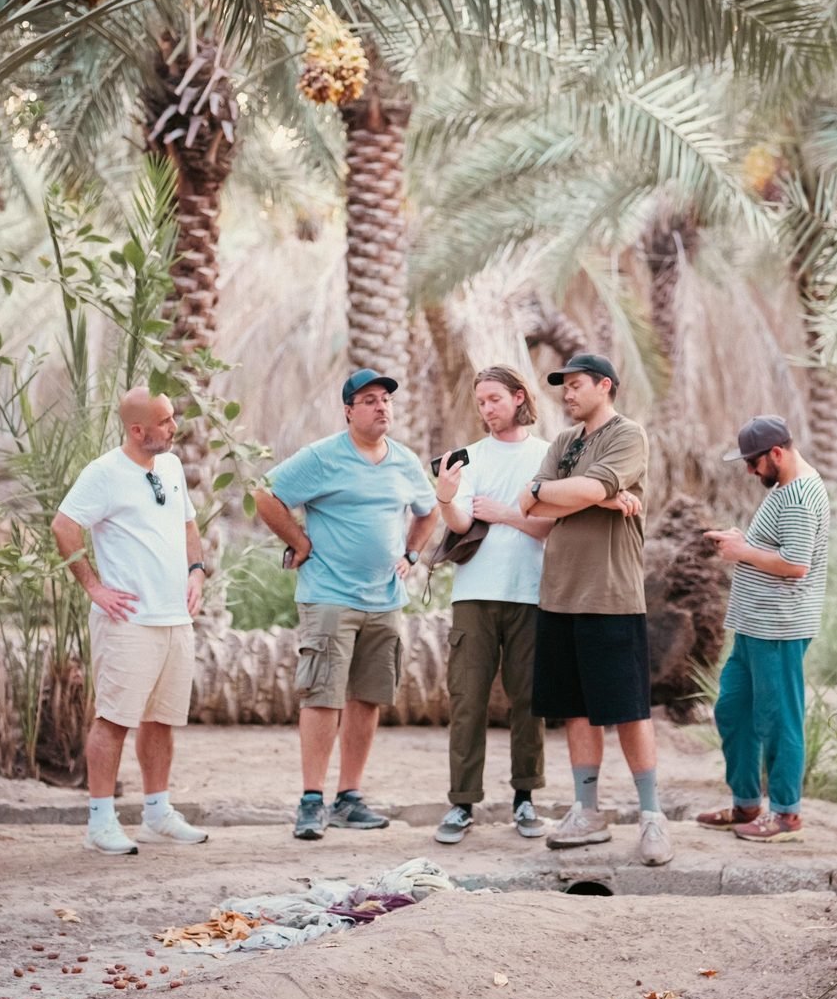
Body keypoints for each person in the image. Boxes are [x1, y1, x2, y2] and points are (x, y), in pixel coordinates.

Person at [255, 368, 440, 841]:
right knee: (322, 695)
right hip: (329, 597)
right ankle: (312, 800)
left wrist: (412, 554)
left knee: (369, 697)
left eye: (386, 400)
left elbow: (429, 508)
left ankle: (349, 797)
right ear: (349, 411)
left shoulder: (405, 461)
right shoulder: (323, 456)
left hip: (385, 600)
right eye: (370, 400)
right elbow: (266, 494)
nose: (382, 407)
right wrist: (299, 541)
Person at [518, 354, 672, 865]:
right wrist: (598, 498)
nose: (567, 394)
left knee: (627, 708)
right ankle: (588, 811)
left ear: (605, 386)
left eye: (576, 385)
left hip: (610, 594)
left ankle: (652, 817)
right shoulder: (563, 444)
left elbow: (575, 490)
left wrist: (574, 493)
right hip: (559, 594)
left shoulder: (629, 435)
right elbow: (530, 504)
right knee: (576, 708)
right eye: (563, 386)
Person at [53, 387, 211, 856]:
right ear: (137, 429)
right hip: (127, 620)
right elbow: (64, 526)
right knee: (114, 719)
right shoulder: (103, 473)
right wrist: (94, 587)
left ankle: (157, 813)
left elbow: (188, 526)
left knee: (161, 719)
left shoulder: (172, 467)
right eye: (163, 421)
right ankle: (100, 822)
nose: (173, 426)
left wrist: (197, 572)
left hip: (174, 617)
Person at [431, 366, 555, 845]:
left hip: (530, 593)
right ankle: (462, 804)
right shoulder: (470, 458)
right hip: (474, 596)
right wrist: (445, 499)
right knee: (467, 701)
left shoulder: (547, 455)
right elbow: (462, 523)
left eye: (494, 399)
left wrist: (505, 514)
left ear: (518, 398)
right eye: (480, 402)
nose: (486, 409)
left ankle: (526, 799)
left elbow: (548, 525)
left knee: (529, 702)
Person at [696, 416, 830, 845]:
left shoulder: (800, 496)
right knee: (733, 711)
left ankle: (786, 815)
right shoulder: (784, 489)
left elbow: (795, 564)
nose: (750, 471)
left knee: (778, 720)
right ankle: (746, 803)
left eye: (754, 463)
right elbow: (776, 548)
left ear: (777, 453)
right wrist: (741, 542)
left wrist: (742, 552)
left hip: (779, 626)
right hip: (754, 624)